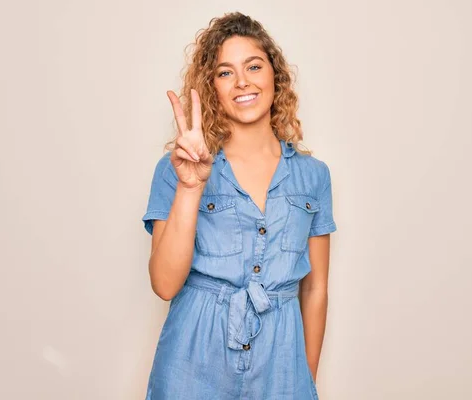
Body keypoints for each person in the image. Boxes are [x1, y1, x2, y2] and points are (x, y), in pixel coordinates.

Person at [141, 12, 337, 400]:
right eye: (225, 72)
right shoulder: (176, 170)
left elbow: (315, 288)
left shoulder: (314, 176)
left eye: (253, 66)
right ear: (211, 87)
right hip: (192, 359)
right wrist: (190, 187)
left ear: (275, 76)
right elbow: (164, 285)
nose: (243, 81)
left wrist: (303, 379)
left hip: (281, 363)